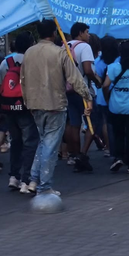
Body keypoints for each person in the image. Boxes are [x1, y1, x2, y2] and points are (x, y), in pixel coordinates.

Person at [21, 19, 92, 196]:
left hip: (35, 103)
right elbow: (75, 78)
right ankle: (44, 186)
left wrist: (27, 100)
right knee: (50, 146)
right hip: (55, 103)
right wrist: (87, 96)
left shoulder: (28, 53)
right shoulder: (60, 53)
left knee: (44, 142)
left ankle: (33, 179)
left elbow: (23, 80)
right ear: (53, 33)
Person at [0, 31, 39, 193]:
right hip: (26, 107)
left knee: (15, 141)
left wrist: (0, 109)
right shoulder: (32, 61)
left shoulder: (6, 62)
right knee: (30, 142)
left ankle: (13, 176)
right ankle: (26, 179)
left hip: (8, 108)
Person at [65, 22, 100, 170]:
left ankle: (74, 153)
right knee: (93, 122)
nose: (88, 35)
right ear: (80, 33)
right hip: (83, 90)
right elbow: (88, 69)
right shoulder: (84, 47)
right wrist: (96, 80)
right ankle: (83, 153)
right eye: (86, 32)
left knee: (74, 124)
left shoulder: (64, 46)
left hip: (68, 90)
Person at [104, 41, 129, 173]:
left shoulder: (113, 67)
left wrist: (107, 99)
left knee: (118, 134)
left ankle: (118, 158)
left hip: (116, 106)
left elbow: (105, 85)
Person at [94, 35, 119, 159]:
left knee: (106, 123)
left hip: (101, 96)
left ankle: (109, 148)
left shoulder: (98, 61)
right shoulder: (119, 60)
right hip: (118, 95)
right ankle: (119, 147)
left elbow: (96, 77)